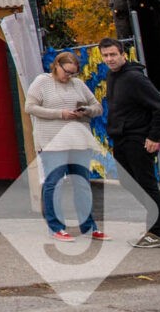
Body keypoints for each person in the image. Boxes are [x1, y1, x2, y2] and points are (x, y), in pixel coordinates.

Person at [25, 51, 105, 242]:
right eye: (67, 72)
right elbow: (30, 107)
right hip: (52, 141)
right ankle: (55, 227)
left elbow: (97, 107)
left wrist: (85, 110)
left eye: (73, 73)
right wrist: (60, 113)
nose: (69, 76)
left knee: (82, 183)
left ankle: (88, 225)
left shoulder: (78, 84)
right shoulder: (42, 82)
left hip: (78, 140)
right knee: (55, 183)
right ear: (56, 66)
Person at [99, 37, 160, 248]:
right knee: (128, 182)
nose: (109, 59)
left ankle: (157, 231)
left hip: (139, 139)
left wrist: (155, 136)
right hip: (121, 138)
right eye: (105, 55)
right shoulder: (112, 76)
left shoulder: (135, 78)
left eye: (113, 54)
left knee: (146, 184)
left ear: (123, 54)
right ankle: (156, 221)